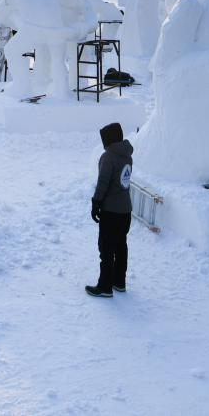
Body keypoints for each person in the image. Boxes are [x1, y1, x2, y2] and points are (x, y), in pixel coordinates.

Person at [86, 122, 134, 298]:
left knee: (106, 248)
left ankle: (104, 286)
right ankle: (118, 282)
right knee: (121, 246)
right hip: (125, 211)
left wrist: (96, 203)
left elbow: (103, 183)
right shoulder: (127, 155)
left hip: (111, 211)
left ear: (109, 140)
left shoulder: (108, 157)